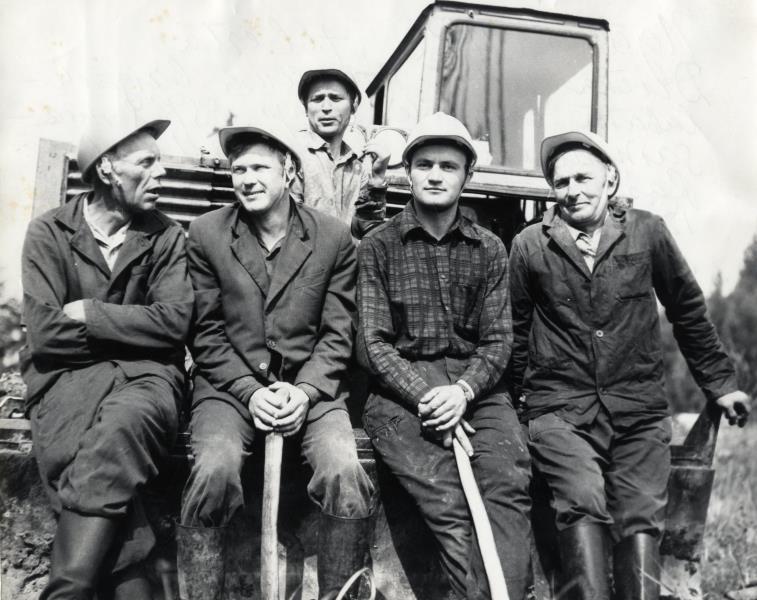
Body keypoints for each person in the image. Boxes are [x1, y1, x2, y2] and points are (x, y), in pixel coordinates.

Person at [508, 130, 752, 599]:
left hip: (637, 409)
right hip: (560, 411)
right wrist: (520, 410)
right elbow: (516, 333)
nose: (572, 190)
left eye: (583, 178)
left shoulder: (647, 232)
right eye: (561, 182)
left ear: (610, 179)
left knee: (640, 515)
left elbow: (687, 310)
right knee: (581, 500)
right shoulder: (530, 246)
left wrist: (721, 385)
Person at [178, 124, 374, 600]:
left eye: (259, 168)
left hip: (312, 390)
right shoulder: (206, 234)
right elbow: (205, 333)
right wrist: (251, 392)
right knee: (214, 470)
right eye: (238, 169)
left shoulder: (332, 237)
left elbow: (338, 333)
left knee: (344, 472)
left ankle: (340, 594)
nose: (247, 179)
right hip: (229, 389)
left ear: (288, 172)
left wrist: (304, 392)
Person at [357, 112, 533, 600]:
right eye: (425, 165)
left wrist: (463, 391)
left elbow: (498, 340)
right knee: (448, 500)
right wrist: (427, 396)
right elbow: (373, 343)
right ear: (408, 172)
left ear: (467, 176)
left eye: (448, 166)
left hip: (477, 389)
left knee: (506, 481)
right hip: (400, 393)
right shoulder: (378, 246)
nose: (435, 175)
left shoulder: (490, 248)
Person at [20, 118, 193, 599]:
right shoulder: (49, 233)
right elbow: (46, 336)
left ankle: (66, 591)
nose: (162, 173)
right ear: (107, 170)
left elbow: (174, 324)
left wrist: (92, 314)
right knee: (100, 453)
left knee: (123, 421)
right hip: (65, 382)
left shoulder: (167, 237)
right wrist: (135, 331)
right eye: (147, 162)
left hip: (149, 382)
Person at [293, 67, 390, 238]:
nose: (326, 107)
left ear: (353, 106)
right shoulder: (292, 155)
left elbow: (366, 230)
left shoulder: (358, 166)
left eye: (336, 98)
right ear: (306, 108)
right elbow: (289, 231)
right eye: (317, 99)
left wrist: (377, 179)